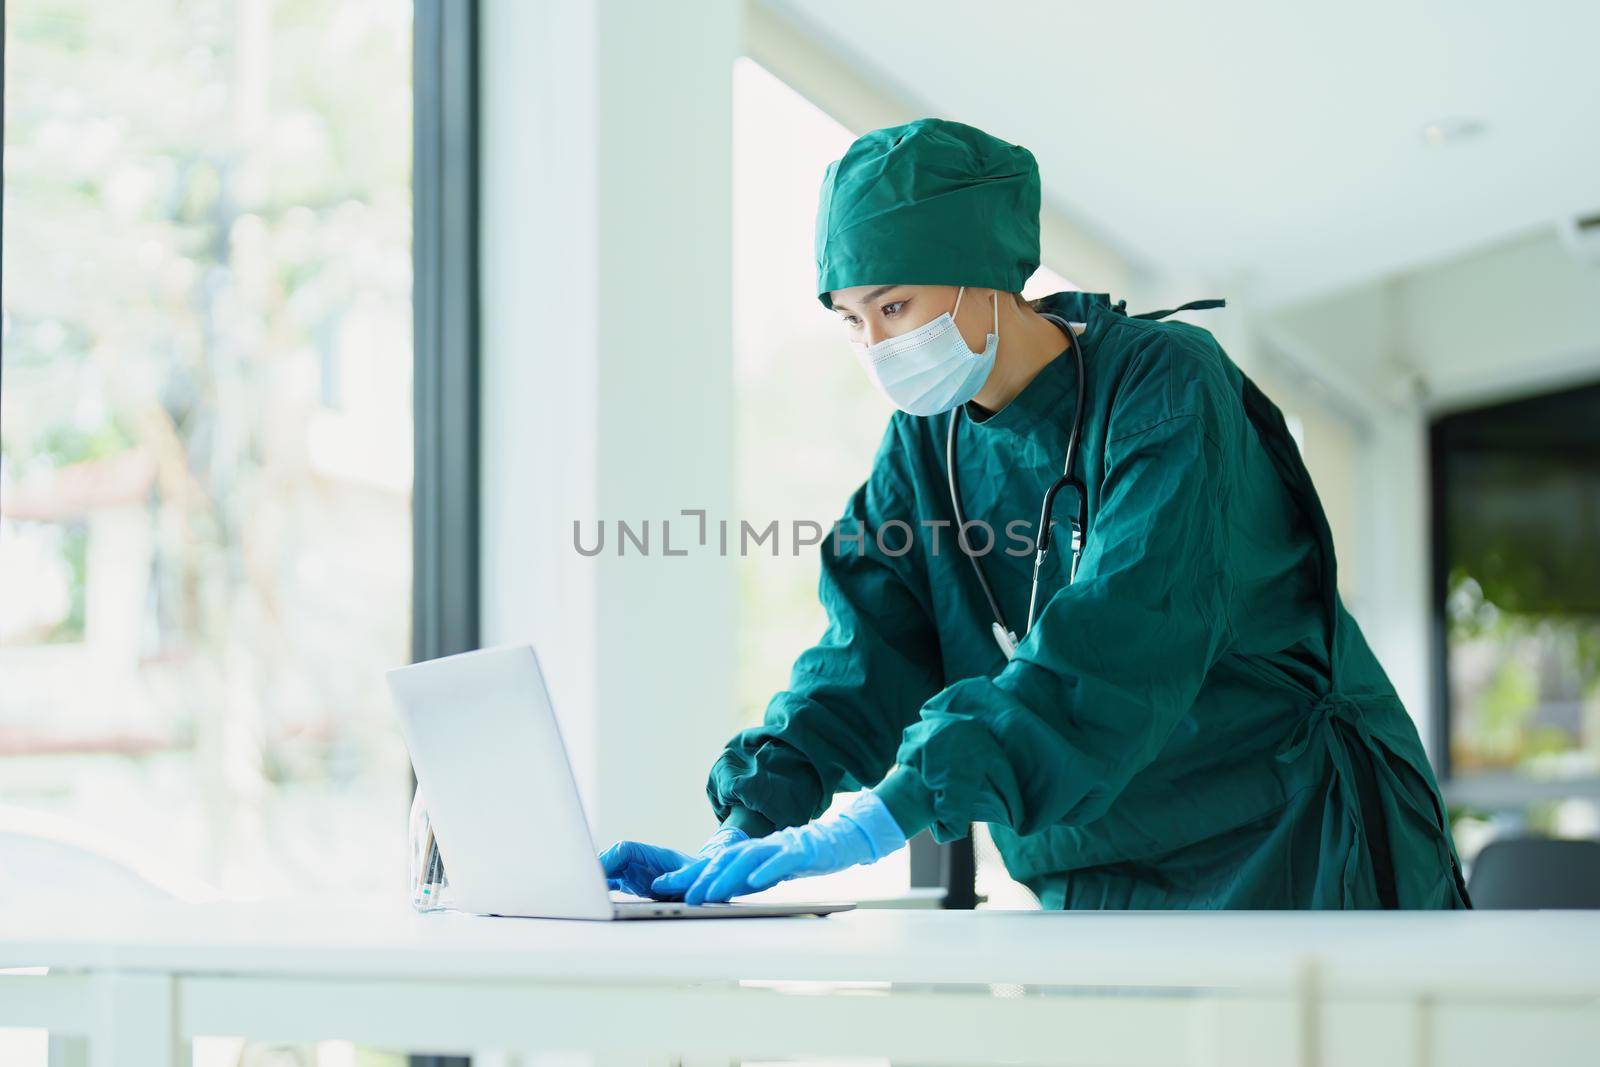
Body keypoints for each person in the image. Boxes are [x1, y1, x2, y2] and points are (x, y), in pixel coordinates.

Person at [600, 117, 1471, 910]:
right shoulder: (927, 447)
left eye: (894, 306)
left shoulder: (1165, 386)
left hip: (1283, 839)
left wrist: (880, 817)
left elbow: (1118, 641)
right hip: (1093, 872)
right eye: (850, 320)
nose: (874, 348)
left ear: (988, 272)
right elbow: (864, 650)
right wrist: (758, 810)